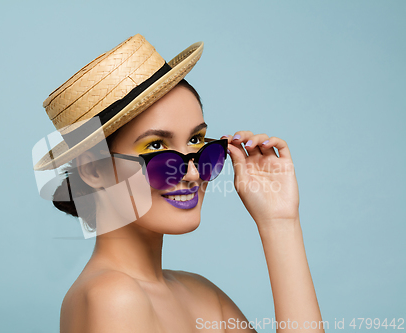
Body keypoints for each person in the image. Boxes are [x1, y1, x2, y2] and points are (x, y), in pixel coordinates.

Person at [32, 34, 324, 332]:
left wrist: (280, 221)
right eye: (156, 147)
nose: (194, 173)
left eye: (196, 141)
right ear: (94, 170)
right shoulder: (114, 297)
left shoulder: (201, 293)